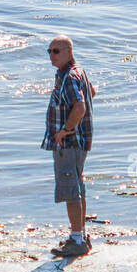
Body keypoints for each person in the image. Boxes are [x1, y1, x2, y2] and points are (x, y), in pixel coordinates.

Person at [42, 36, 97, 257]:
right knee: (77, 186)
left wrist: (65, 130)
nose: (51, 56)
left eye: (56, 51)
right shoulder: (76, 72)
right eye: (49, 51)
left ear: (68, 51)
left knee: (71, 190)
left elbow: (81, 107)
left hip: (70, 142)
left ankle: (77, 239)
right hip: (79, 141)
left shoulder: (69, 76)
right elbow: (92, 91)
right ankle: (80, 235)